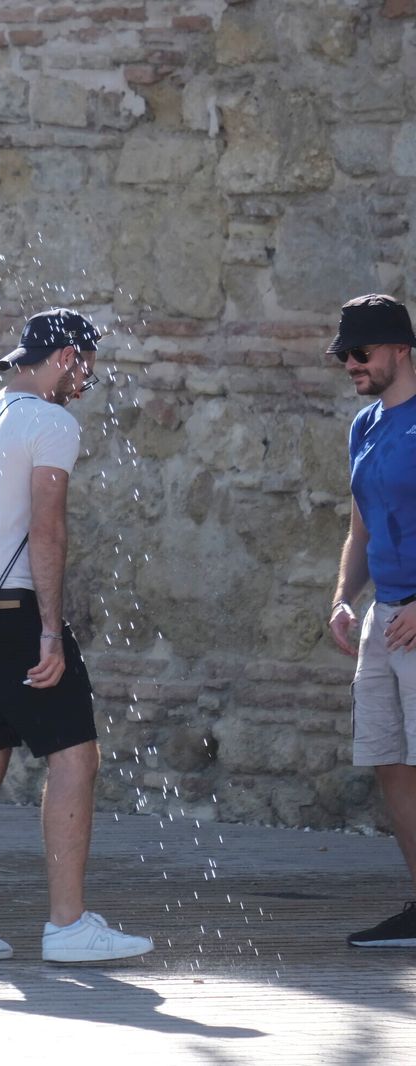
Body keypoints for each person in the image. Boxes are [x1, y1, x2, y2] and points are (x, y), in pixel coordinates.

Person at [0, 309, 153, 964]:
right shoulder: (51, 422)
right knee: (75, 757)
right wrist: (50, 634)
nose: (88, 378)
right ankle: (67, 925)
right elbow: (47, 529)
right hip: (17, 613)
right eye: (86, 363)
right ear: (64, 357)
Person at [325, 294, 416, 949]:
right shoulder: (364, 426)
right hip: (384, 617)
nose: (351, 363)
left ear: (400, 349)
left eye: (361, 352)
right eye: (344, 355)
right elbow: (359, 528)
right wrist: (343, 597)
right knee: (391, 763)